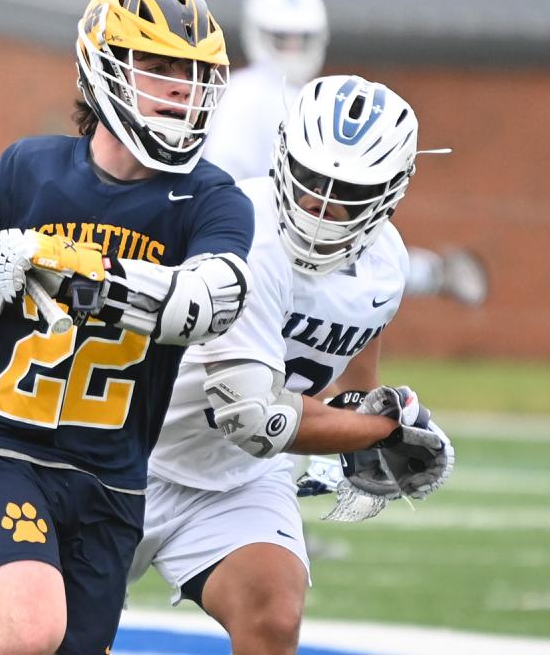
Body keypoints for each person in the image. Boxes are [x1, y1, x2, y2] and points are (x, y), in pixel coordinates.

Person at [0, 0, 254, 655]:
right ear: (103, 67)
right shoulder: (31, 169)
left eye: (195, 73)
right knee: (29, 633)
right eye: (160, 68)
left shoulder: (209, 198)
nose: (181, 90)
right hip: (0, 444)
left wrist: (70, 264)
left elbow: (207, 304)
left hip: (110, 477)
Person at [129, 74, 455, 655]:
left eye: (347, 191)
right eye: (311, 180)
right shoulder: (243, 228)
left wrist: (363, 424)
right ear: (283, 156)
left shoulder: (387, 264)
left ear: (392, 190)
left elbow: (352, 385)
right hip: (124, 456)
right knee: (11, 630)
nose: (321, 205)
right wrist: (386, 428)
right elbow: (253, 419)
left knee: (273, 616)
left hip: (234, 481)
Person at [204, 0, 488, 307]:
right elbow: (228, 180)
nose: (294, 49)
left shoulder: (288, 95)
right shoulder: (253, 96)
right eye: (282, 38)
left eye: (303, 39)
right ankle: (431, 273)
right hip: (259, 240)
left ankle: (431, 273)